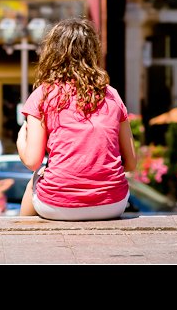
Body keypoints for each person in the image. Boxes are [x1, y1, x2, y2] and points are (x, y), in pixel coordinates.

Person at [17, 18, 137, 221]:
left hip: (57, 205)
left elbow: (32, 161)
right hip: (114, 203)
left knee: (34, 180)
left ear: (52, 53)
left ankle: (22, 239)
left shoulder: (43, 95)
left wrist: (22, 138)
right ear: (93, 53)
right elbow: (131, 163)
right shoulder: (111, 95)